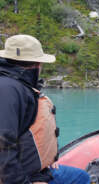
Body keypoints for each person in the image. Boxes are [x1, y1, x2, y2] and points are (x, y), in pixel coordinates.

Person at [0, 35, 90, 184]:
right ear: (38, 64)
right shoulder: (9, 90)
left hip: (30, 170)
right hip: (21, 177)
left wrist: (45, 160)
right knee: (81, 178)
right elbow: (3, 145)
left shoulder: (14, 85)